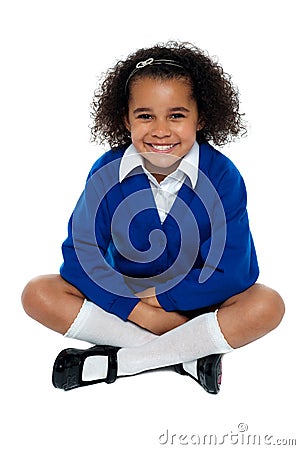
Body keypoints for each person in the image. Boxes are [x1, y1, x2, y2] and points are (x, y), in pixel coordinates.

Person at [21, 41, 285, 393]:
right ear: (126, 119)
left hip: (198, 304)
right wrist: (138, 310)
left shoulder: (222, 176)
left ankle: (126, 361)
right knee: (38, 293)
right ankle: (188, 355)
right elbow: (80, 258)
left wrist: (163, 300)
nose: (161, 130)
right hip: (126, 302)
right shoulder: (108, 172)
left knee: (267, 304)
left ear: (200, 117)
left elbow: (235, 271)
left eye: (176, 115)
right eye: (145, 116)